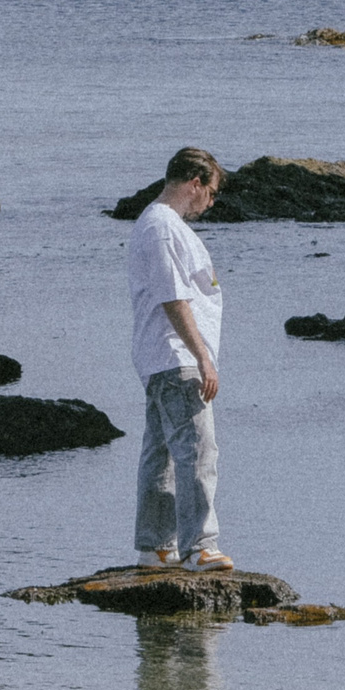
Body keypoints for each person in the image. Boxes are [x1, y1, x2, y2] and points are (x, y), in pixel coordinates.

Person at [128, 146, 232, 572]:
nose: (211, 203)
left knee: (162, 453)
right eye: (212, 193)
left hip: (160, 356)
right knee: (197, 450)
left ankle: (156, 547)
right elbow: (174, 298)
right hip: (176, 356)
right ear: (195, 183)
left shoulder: (155, 223)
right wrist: (202, 356)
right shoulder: (163, 227)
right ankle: (199, 547)